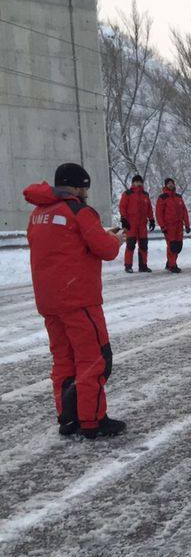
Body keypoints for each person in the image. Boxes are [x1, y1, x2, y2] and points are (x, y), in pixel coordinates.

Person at [24, 163, 127, 439]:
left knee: (63, 359)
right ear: (78, 186)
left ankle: (68, 419)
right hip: (79, 299)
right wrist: (115, 239)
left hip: (49, 301)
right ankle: (93, 420)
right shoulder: (79, 211)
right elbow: (105, 250)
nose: (86, 192)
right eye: (85, 187)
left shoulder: (38, 214)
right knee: (94, 358)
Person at [118, 174, 155, 273]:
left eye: (140, 182)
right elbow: (122, 207)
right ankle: (128, 266)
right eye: (136, 181)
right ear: (133, 183)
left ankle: (143, 266)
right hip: (131, 224)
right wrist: (124, 219)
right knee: (130, 245)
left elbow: (149, 209)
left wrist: (151, 219)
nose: (138, 183)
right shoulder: (127, 194)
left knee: (143, 245)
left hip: (142, 224)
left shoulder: (145, 195)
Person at [155, 177, 191, 273]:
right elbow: (159, 213)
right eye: (169, 183)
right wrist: (162, 226)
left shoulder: (179, 197)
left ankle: (170, 263)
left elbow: (184, 211)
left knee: (178, 246)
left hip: (179, 226)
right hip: (169, 226)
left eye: (172, 183)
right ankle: (172, 265)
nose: (171, 185)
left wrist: (187, 224)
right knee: (172, 246)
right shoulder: (162, 198)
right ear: (165, 185)